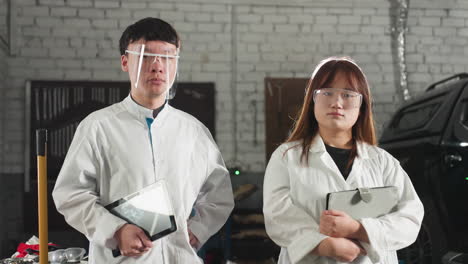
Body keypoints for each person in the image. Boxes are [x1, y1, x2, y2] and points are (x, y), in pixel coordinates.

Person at [52, 17, 234, 263]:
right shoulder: (98, 127)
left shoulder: (193, 131)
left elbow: (219, 194)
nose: (158, 66)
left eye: (168, 57)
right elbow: (70, 194)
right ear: (125, 62)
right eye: (147, 56)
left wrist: (198, 230)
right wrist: (115, 230)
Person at [263, 56, 424, 264]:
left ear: (361, 105)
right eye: (327, 92)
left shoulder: (384, 162)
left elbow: (410, 217)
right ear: (313, 100)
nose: (337, 103)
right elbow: (277, 215)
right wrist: (322, 244)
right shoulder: (287, 157)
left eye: (348, 94)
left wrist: (360, 229)